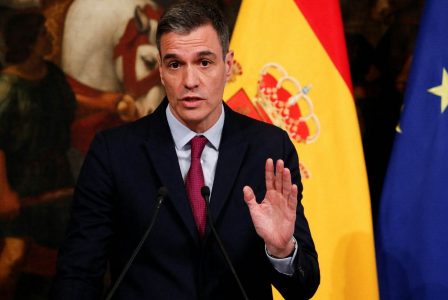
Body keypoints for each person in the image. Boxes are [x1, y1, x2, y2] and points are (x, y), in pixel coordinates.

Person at [51, 1, 320, 299]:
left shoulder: (269, 148)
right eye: (175, 64)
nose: (190, 81)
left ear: (227, 66)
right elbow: (78, 272)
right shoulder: (113, 152)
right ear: (161, 70)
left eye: (204, 62)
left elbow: (303, 288)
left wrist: (281, 250)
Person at [0, 11, 76, 300]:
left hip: (57, 177)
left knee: (62, 255)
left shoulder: (51, 75)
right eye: (44, 33)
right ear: (30, 41)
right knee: (14, 257)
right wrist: (4, 193)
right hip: (19, 182)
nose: (50, 37)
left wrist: (110, 103)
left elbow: (70, 104)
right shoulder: (6, 89)